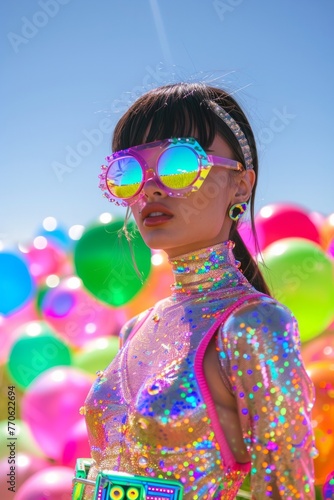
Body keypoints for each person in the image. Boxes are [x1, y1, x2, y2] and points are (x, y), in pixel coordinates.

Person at [79, 83, 317, 499]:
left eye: (178, 165)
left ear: (240, 186)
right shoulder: (135, 329)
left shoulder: (252, 324)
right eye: (130, 172)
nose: (150, 188)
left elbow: (286, 490)